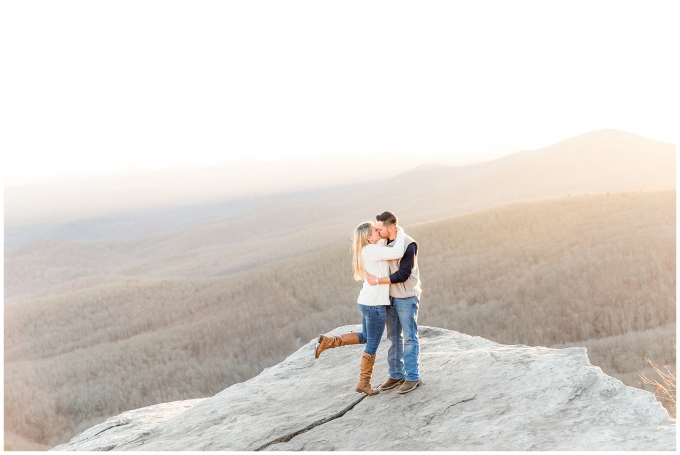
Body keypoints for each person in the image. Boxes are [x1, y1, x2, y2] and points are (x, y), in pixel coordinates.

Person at [315, 221, 407, 396]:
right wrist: (399, 231)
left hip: (366, 301)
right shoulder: (371, 250)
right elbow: (397, 251)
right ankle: (363, 383)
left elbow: (383, 243)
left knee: (365, 337)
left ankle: (328, 342)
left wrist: (385, 230)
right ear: (367, 236)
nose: (378, 231)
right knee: (372, 344)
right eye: (374, 230)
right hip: (374, 305)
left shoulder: (368, 248)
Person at [365, 211, 422, 394]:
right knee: (393, 337)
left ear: (391, 228)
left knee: (410, 337)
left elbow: (403, 274)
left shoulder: (408, 244)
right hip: (388, 297)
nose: (377, 231)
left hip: (406, 297)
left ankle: (412, 377)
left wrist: (378, 281)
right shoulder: (383, 242)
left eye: (380, 228)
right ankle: (396, 374)